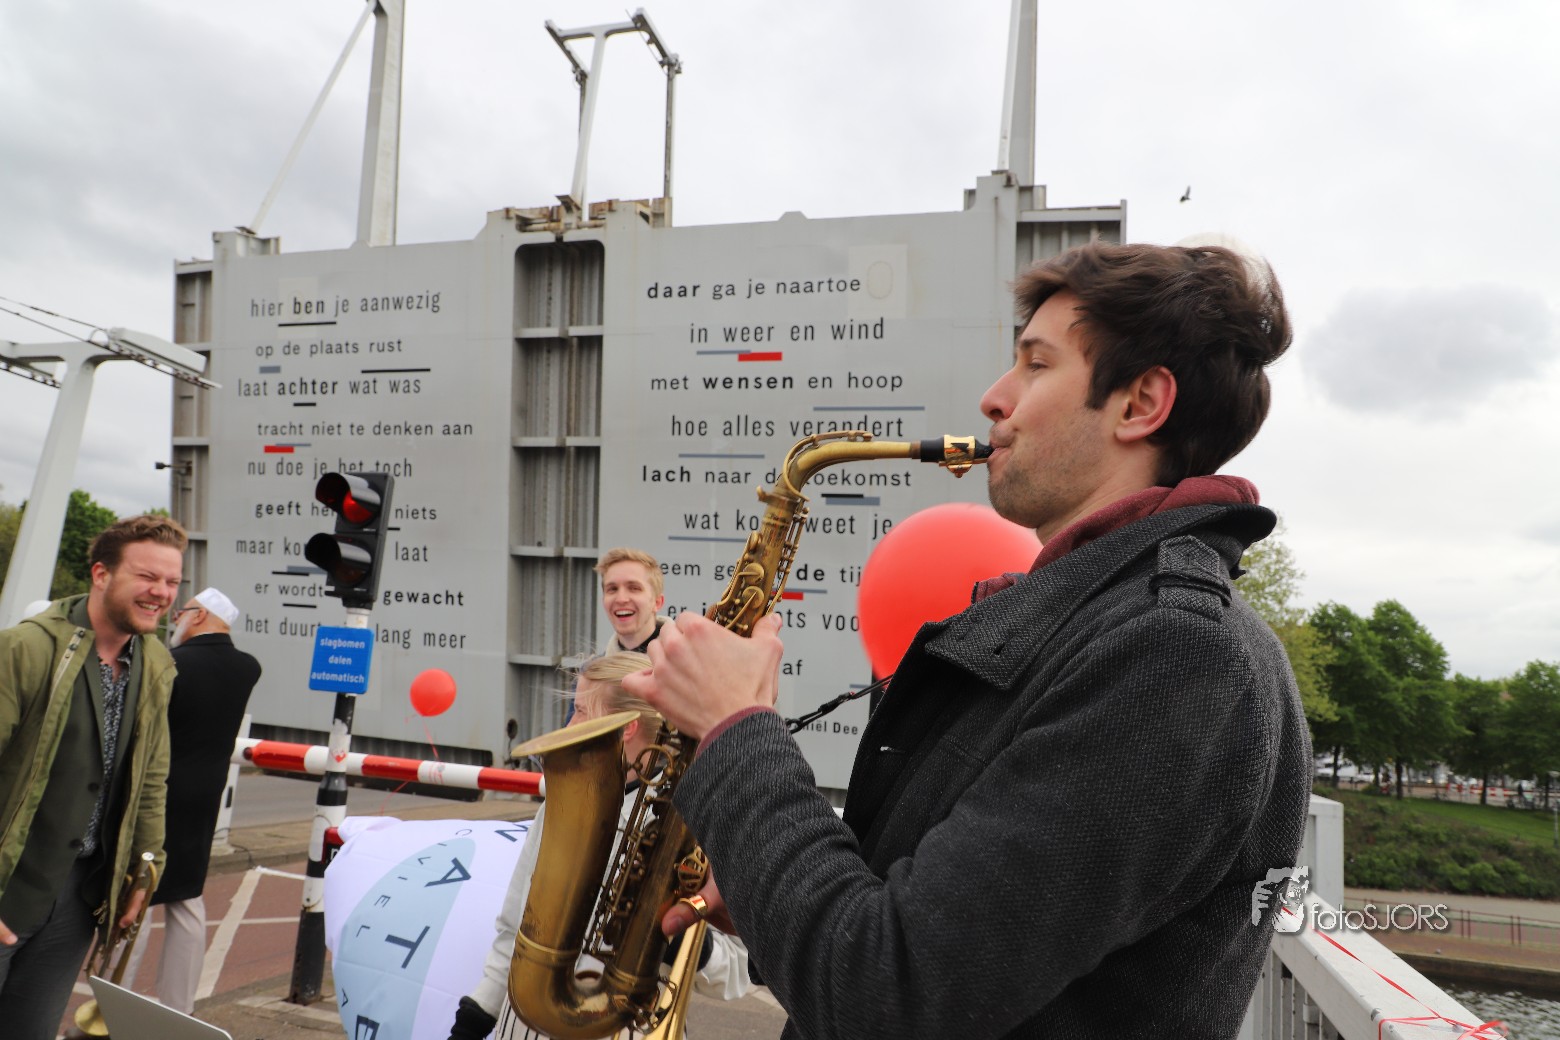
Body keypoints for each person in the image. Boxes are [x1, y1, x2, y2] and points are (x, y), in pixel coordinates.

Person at [625, 240, 1313, 1038]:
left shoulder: (1177, 658)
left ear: (1140, 404)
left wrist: (735, 728)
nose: (993, 398)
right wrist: (773, 883)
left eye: (1036, 364)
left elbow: (889, 991)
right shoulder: (1112, 628)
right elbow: (929, 941)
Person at [448, 652, 750, 1040]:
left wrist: (675, 935)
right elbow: (514, 929)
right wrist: (475, 1018)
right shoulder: (562, 802)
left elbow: (737, 972)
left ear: (625, 728)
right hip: (522, 1025)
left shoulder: (691, 827)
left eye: (579, 711)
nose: (569, 725)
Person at [0, 514, 184, 1040]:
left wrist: (145, 869)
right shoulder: (26, 649)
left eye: (172, 581)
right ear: (101, 574)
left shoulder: (155, 663)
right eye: (147, 576)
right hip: (9, 882)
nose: (161, 592)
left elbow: (151, 778)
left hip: (79, 898)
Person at [121, 587, 261, 1014]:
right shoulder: (247, 667)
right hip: (204, 799)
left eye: (181, 613)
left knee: (135, 894)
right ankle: (179, 1011)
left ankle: (110, 1007)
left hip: (157, 795)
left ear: (199, 616)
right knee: (186, 897)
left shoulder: (170, 663)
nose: (175, 621)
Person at [594, 548, 667, 654]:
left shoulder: (688, 662)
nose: (621, 599)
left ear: (657, 602)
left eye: (634, 588)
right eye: (613, 589)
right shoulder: (594, 665)